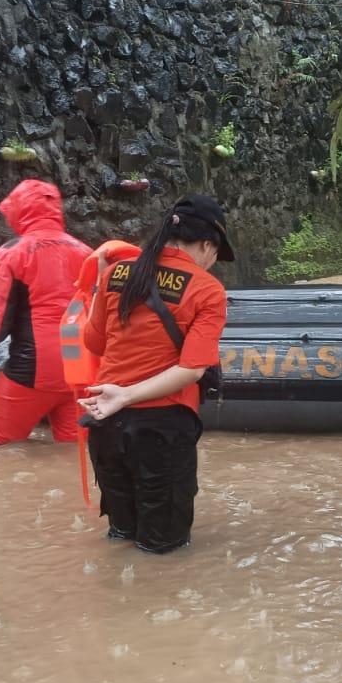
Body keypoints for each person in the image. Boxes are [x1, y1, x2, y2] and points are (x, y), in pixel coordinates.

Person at [79, 196, 234, 554]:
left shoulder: (115, 273)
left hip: (105, 425)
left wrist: (97, 289)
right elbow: (192, 369)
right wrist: (127, 395)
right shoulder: (207, 289)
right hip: (160, 431)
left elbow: (93, 342)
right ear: (206, 245)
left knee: (121, 536)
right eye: (215, 253)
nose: (212, 261)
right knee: (163, 552)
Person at [0, 180, 93, 449]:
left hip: (33, 368)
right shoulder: (87, 253)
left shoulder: (11, 254)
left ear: (19, 212)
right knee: (75, 452)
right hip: (82, 367)